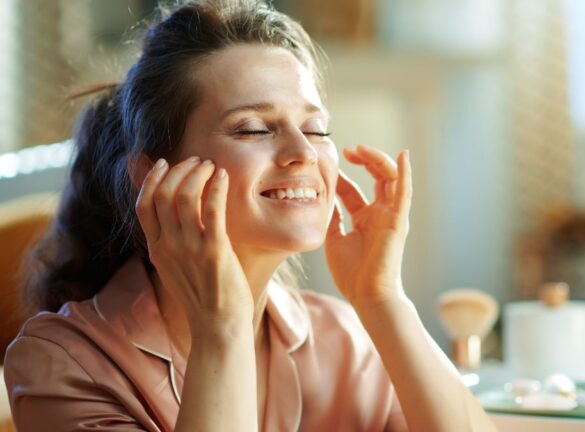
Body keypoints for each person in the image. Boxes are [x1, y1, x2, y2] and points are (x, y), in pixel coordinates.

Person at [3, 1, 497, 431]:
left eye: (316, 128)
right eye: (254, 129)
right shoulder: (60, 363)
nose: (303, 152)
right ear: (153, 173)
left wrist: (383, 298)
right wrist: (223, 324)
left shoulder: (345, 335)